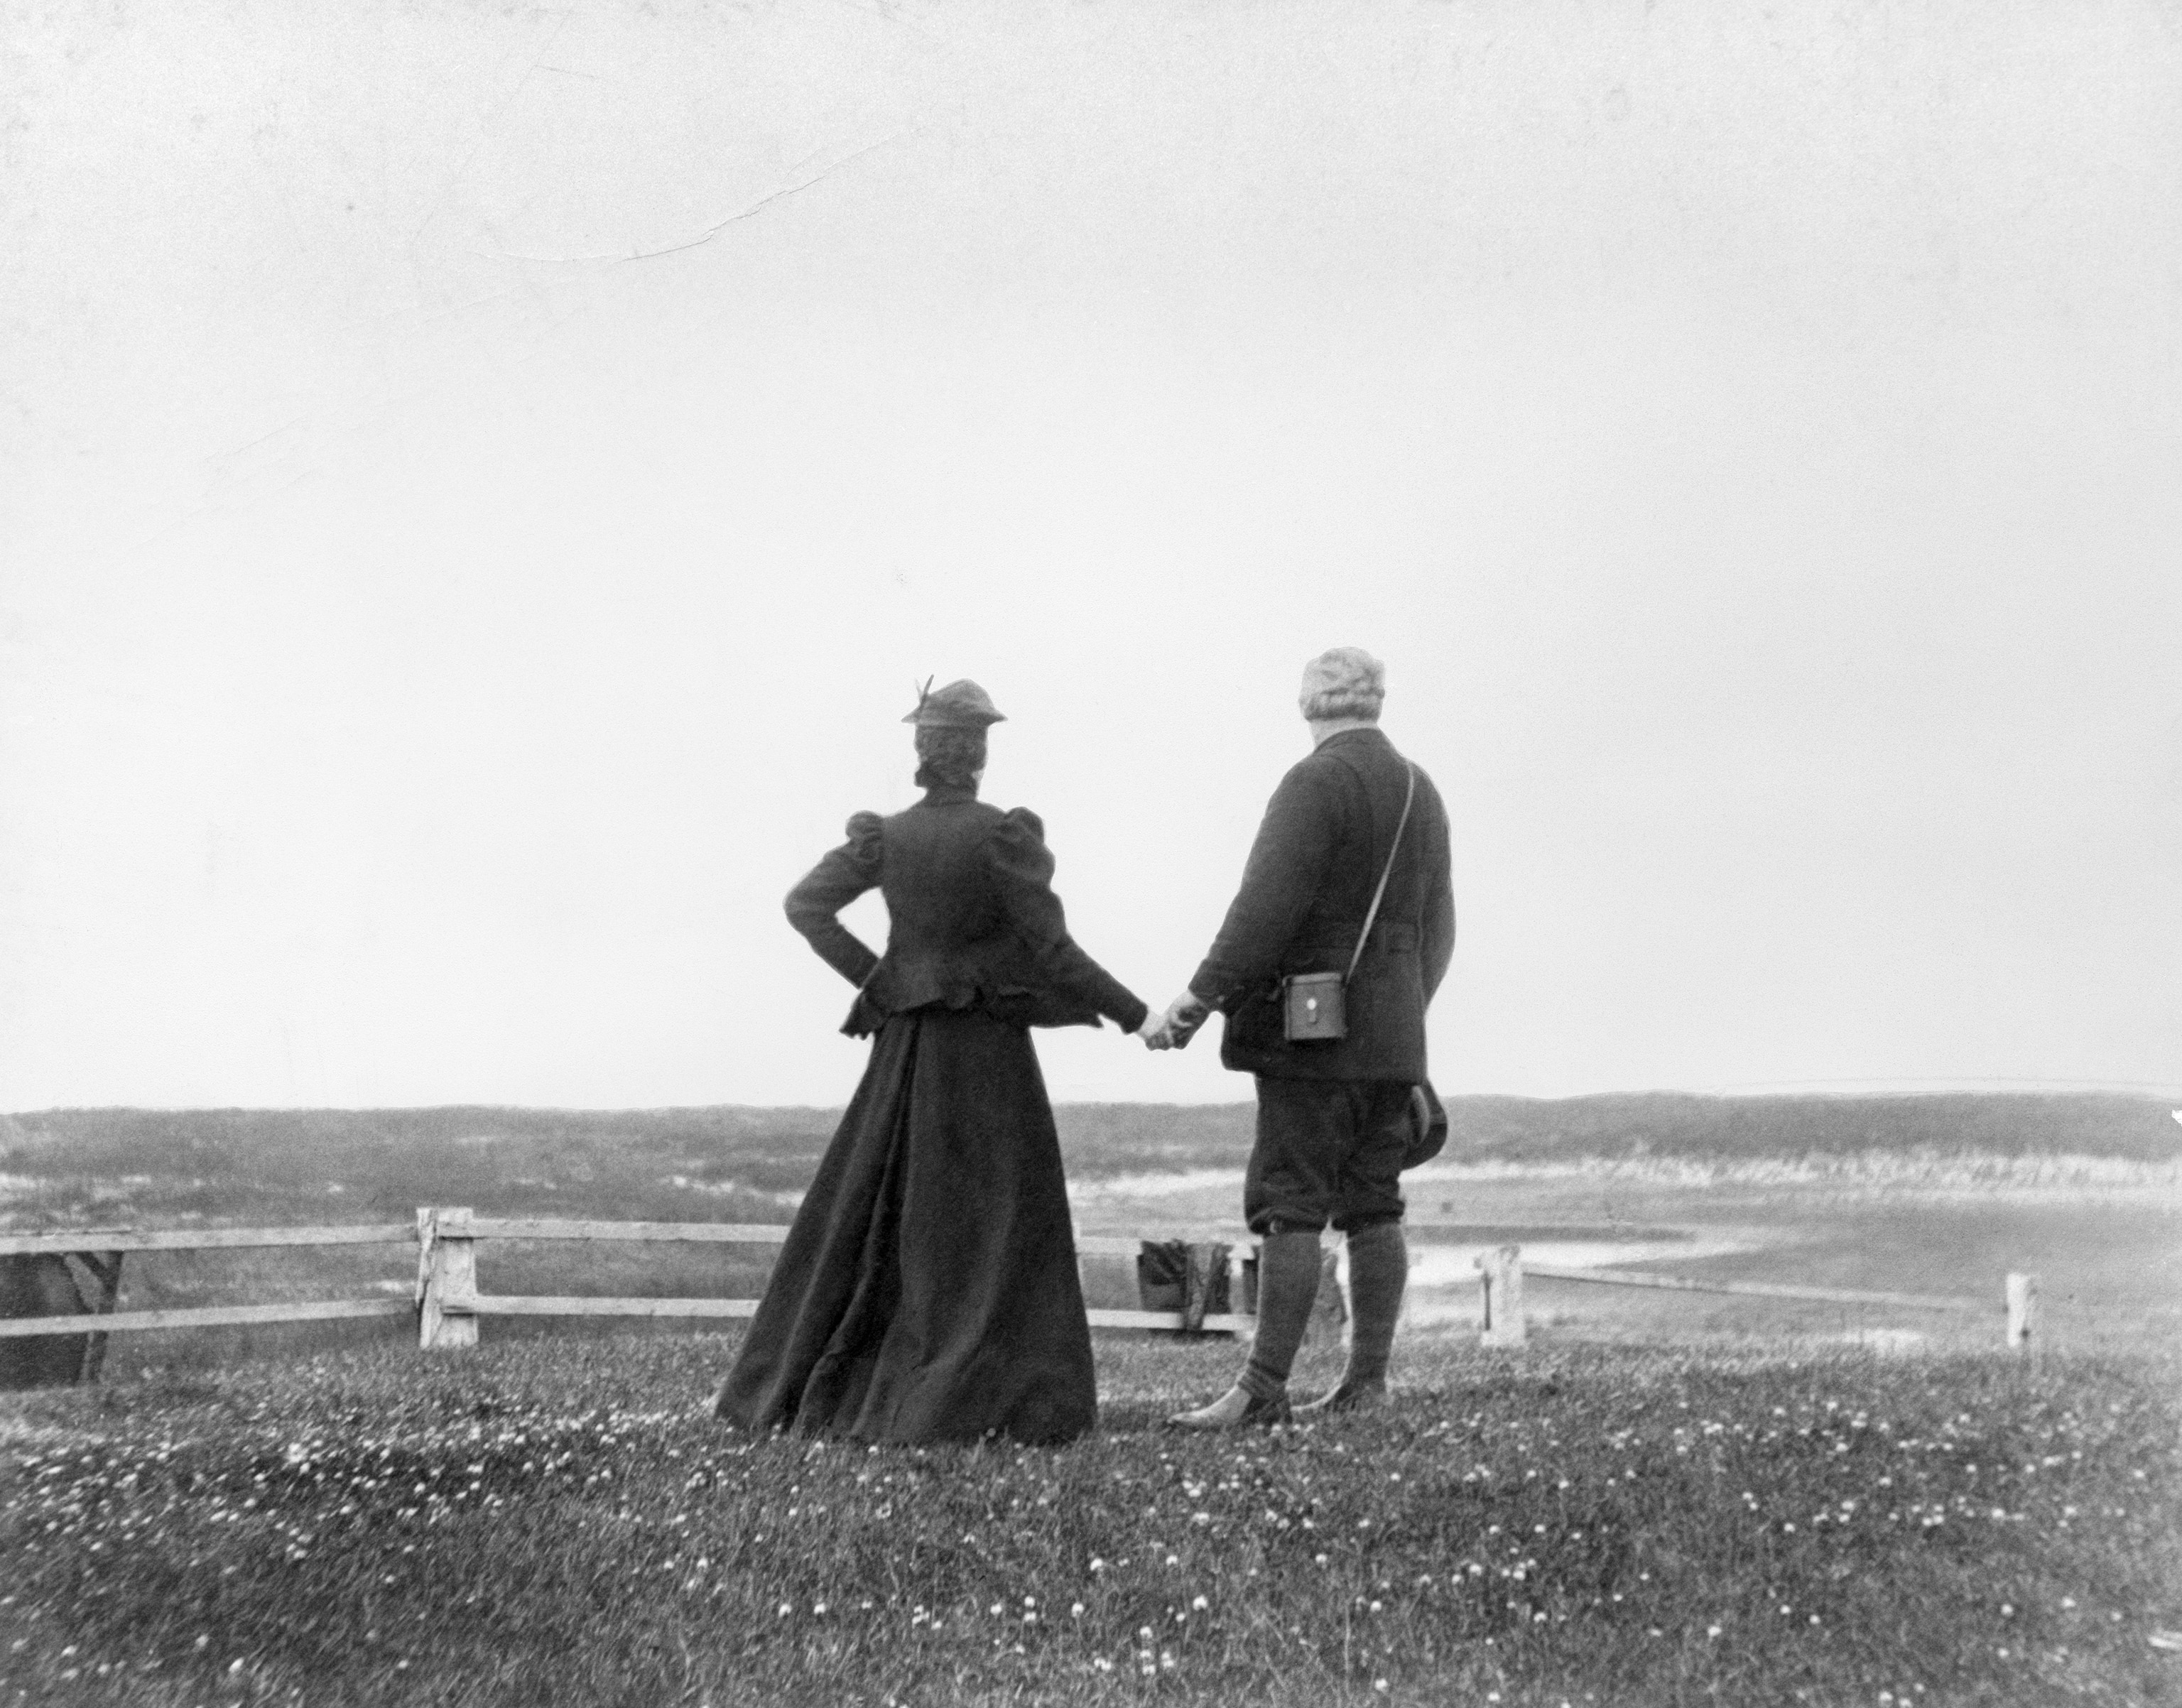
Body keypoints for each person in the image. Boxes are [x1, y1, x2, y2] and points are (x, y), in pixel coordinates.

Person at [712, 678, 1163, 1445]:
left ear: (922, 753)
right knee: (993, 1219)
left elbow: (805, 906)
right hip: (987, 1054)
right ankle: (991, 1394)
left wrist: (884, 979)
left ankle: (844, 1386)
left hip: (907, 1054)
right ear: (980, 754)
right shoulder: (1001, 837)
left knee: (884, 1214)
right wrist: (1141, 1015)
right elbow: (1054, 950)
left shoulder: (885, 836)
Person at [1155, 647, 1454, 1428]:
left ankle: (1261, 1389)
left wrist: (1196, 996)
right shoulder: (1423, 789)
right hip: (1396, 1038)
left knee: (1289, 1204)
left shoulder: (1314, 781)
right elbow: (1441, 929)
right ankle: (1368, 1383)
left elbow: (1263, 911)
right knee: (1375, 1204)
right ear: (1376, 703)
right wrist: (1403, 1008)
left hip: (1312, 1035)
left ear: (1310, 705)